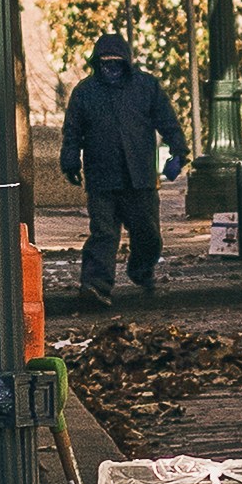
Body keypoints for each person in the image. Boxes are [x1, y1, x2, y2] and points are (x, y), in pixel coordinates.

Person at [60, 27, 188, 308]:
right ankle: (95, 286)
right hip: (103, 177)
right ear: (98, 63)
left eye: (116, 63)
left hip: (139, 176)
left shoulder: (146, 87)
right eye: (106, 64)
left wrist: (180, 150)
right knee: (104, 234)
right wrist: (69, 160)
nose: (111, 69)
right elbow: (73, 131)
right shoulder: (85, 92)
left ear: (126, 63)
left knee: (148, 233)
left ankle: (141, 271)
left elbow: (166, 120)